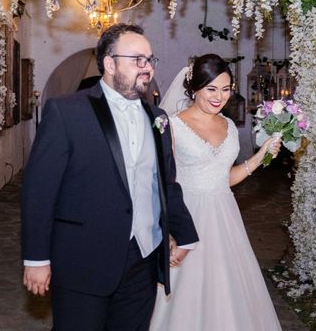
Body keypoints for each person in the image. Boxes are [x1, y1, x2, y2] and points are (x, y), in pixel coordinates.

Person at [21, 23, 199, 331]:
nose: (147, 68)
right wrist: (36, 259)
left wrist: (185, 234)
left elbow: (165, 182)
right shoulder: (66, 112)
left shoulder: (158, 119)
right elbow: (39, 191)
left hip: (143, 258)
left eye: (150, 60)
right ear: (109, 63)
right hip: (83, 258)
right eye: (137, 60)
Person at [150, 54, 283, 331]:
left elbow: (225, 179)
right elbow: (161, 182)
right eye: (211, 88)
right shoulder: (172, 126)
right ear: (194, 88)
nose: (219, 96)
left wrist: (260, 157)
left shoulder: (230, 126)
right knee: (187, 295)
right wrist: (170, 232)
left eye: (225, 89)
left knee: (228, 292)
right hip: (188, 217)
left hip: (225, 217)